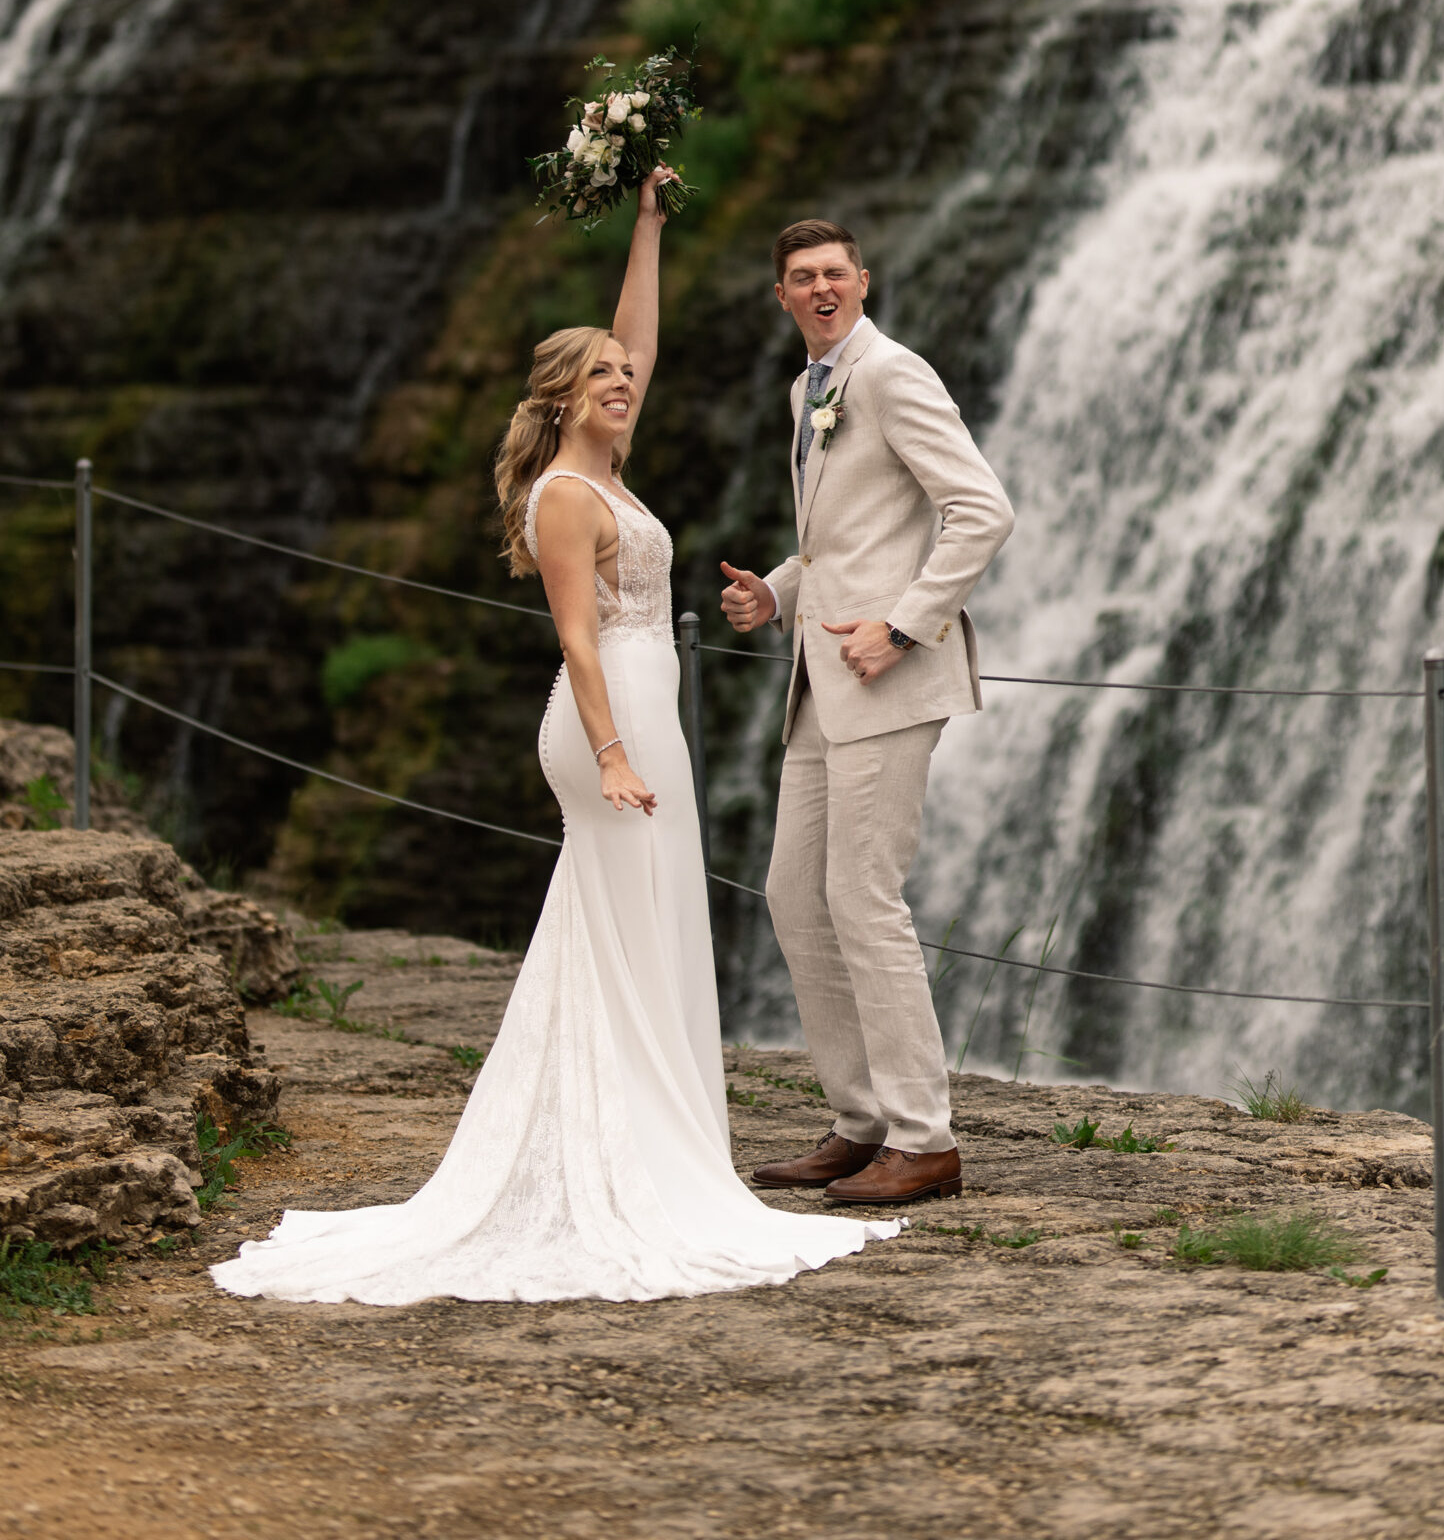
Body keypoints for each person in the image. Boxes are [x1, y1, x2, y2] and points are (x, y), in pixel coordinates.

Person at [211, 172, 895, 1306]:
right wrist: (616, 751)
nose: (626, 383)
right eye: (605, 377)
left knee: (642, 928)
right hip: (610, 720)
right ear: (565, 395)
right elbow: (577, 638)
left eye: (627, 376)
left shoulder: (603, 464)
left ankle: (652, 1142)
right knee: (629, 927)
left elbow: (640, 335)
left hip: (642, 717)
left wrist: (649, 225)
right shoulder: (566, 495)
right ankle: (629, 1162)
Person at [720, 218, 1014, 1209]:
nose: (819, 288)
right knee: (793, 894)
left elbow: (982, 507)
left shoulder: (892, 372)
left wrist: (903, 625)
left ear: (862, 280)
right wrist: (775, 590)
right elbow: (846, 544)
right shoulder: (804, 390)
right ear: (783, 295)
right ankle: (861, 1121)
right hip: (822, 680)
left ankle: (925, 1139)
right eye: (800, 276)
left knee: (864, 894)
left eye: (833, 273)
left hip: (888, 678)